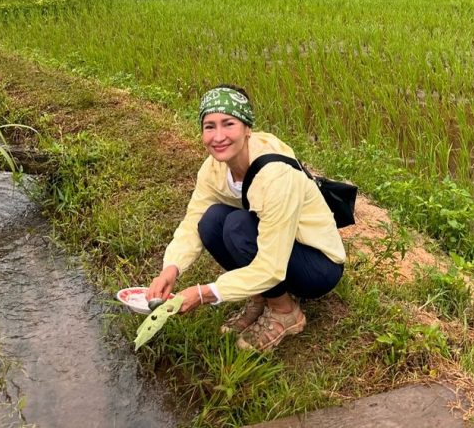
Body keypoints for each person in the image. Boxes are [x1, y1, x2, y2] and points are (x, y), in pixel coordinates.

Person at [146, 84, 345, 351]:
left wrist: (205, 294)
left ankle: (285, 312)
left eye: (228, 124)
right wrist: (171, 267)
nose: (218, 137)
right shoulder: (214, 168)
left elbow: (272, 265)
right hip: (277, 247)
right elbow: (194, 219)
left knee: (237, 226)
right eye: (209, 126)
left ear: (247, 128)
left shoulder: (276, 175)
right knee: (211, 220)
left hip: (317, 265)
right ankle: (262, 294)